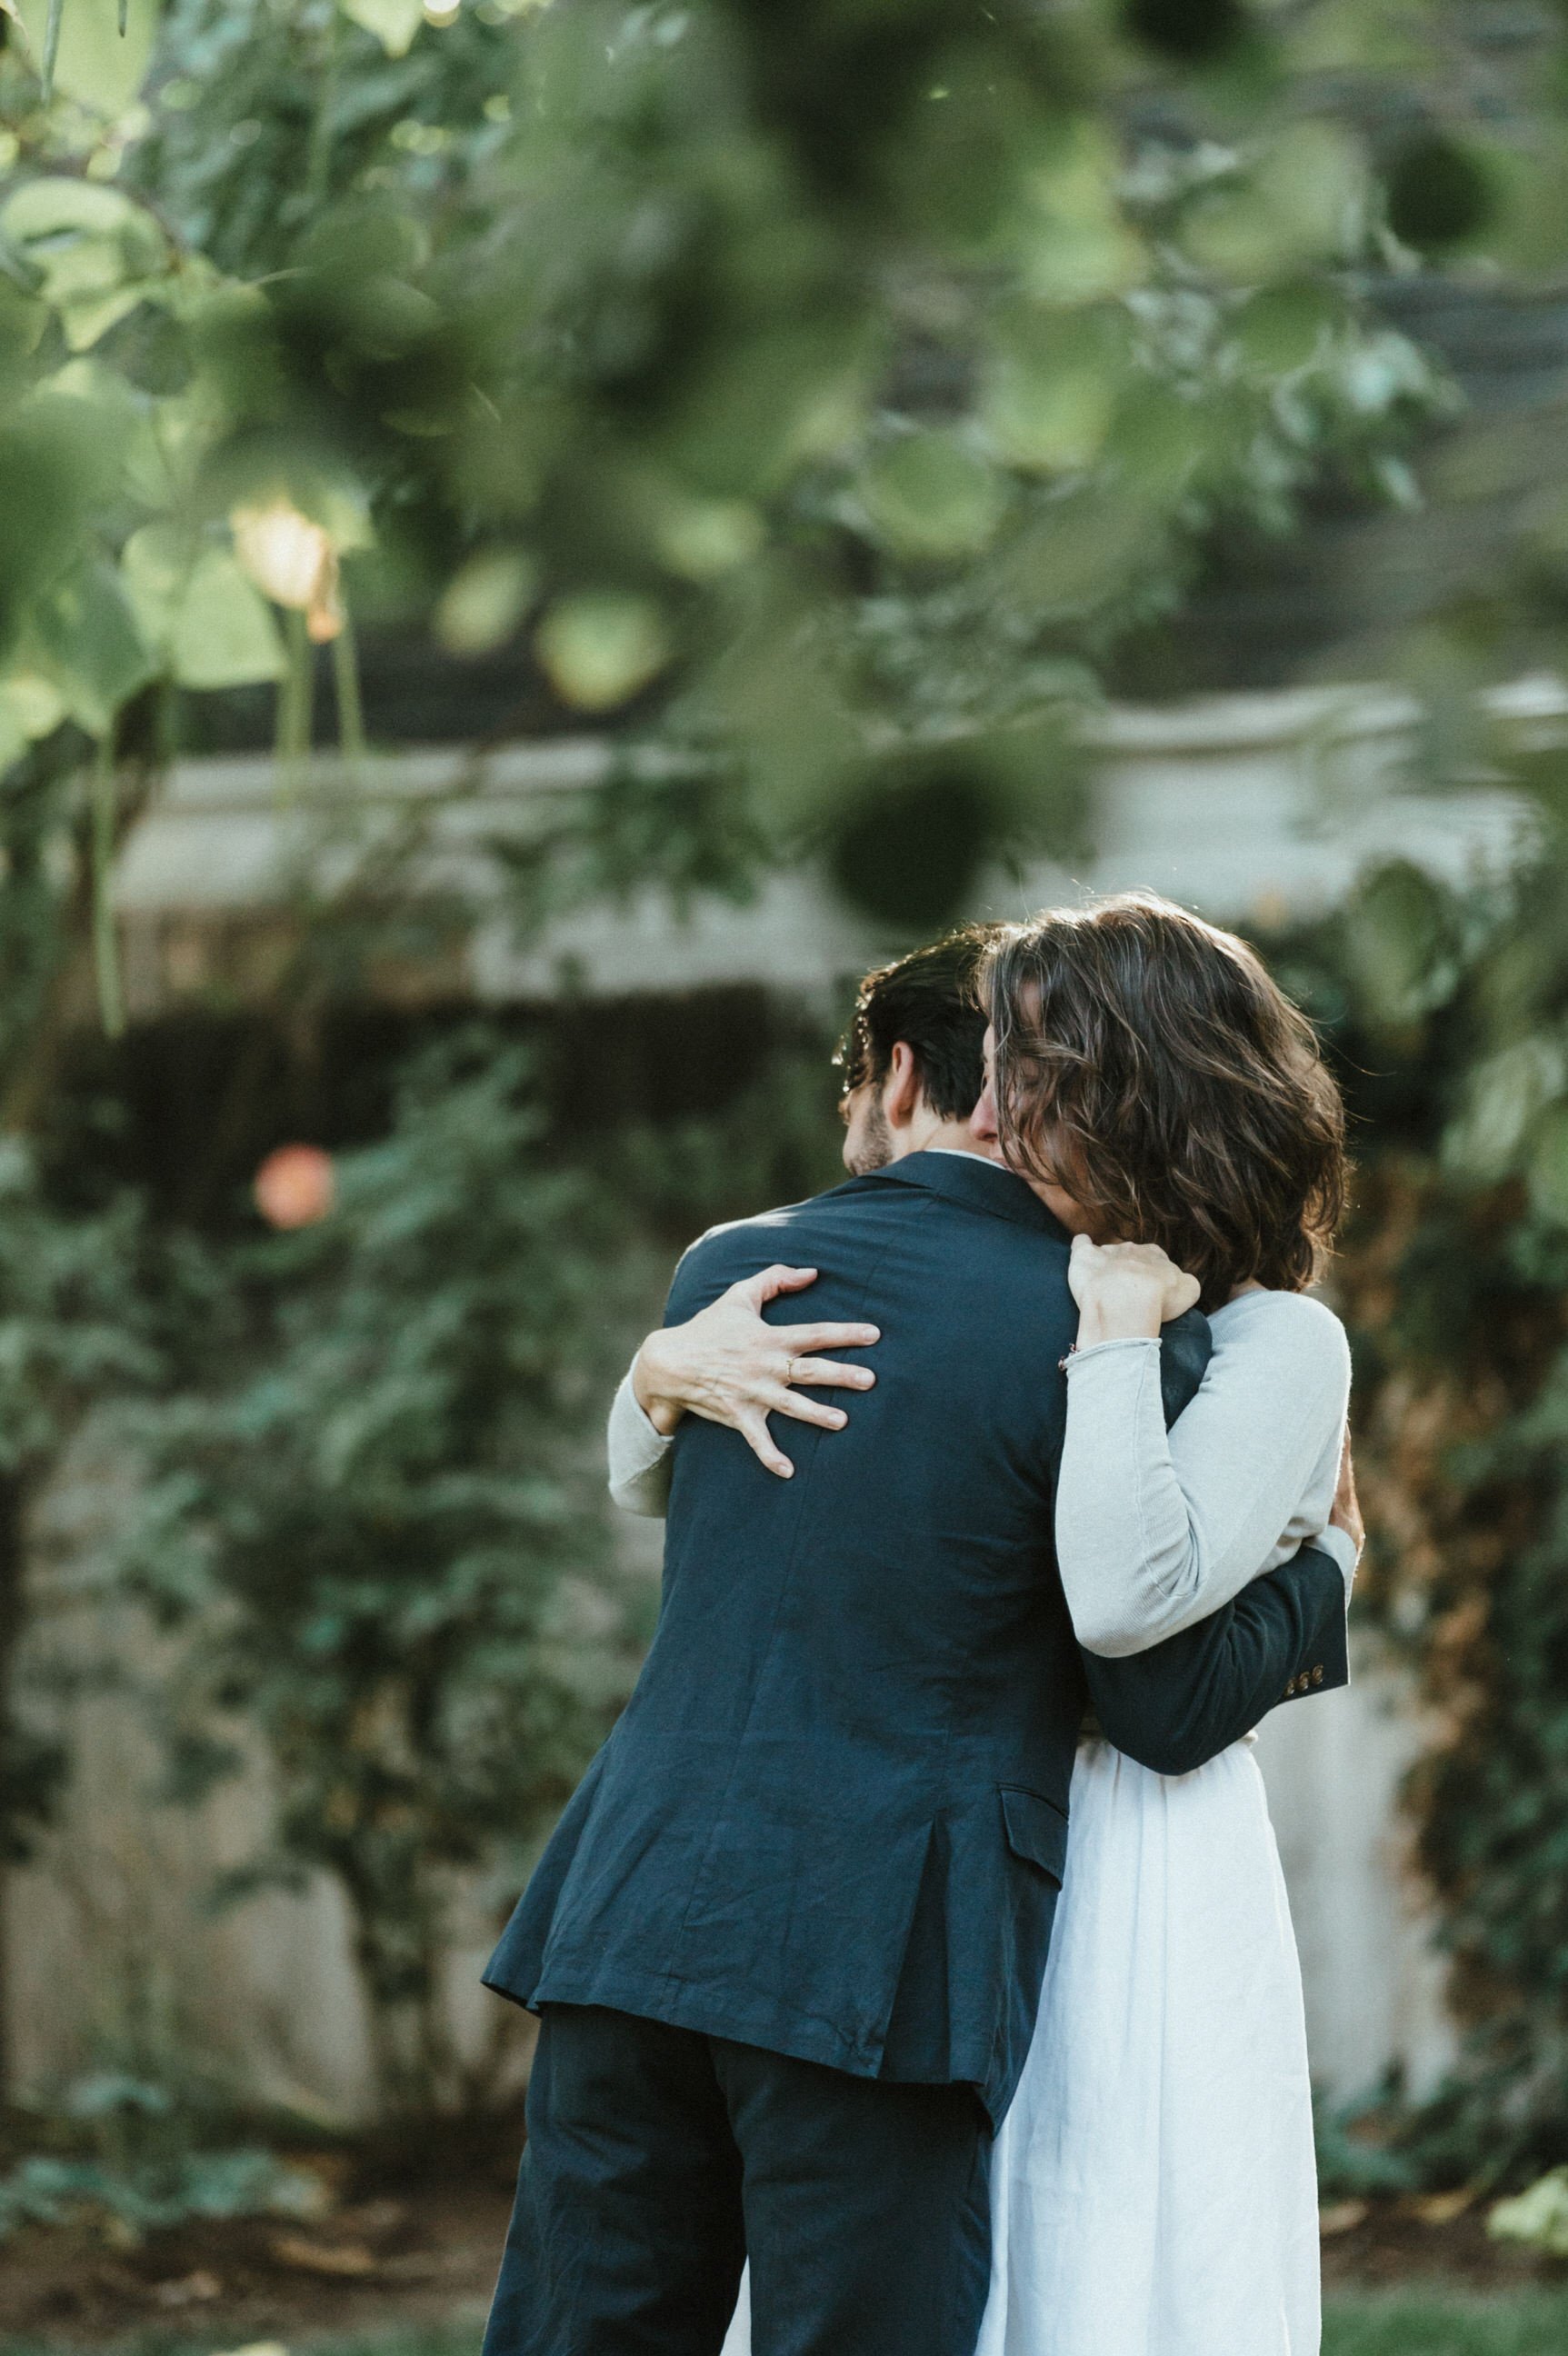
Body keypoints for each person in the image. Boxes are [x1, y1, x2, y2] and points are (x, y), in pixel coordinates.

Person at [481, 919, 1353, 2356]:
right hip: (879, 1945)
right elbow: (1151, 1673)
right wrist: (1325, 1571)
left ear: (908, 1080)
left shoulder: (735, 1275)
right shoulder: (1126, 1337)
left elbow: (665, 1490)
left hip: (629, 1908)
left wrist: (651, 1370)